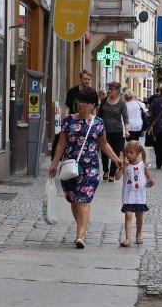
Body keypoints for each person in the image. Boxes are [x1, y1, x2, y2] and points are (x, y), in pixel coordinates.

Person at [49, 86, 124, 249]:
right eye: (80, 101)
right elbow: (61, 144)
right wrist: (54, 164)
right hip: (69, 167)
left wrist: (116, 159)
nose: (81, 105)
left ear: (93, 105)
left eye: (85, 102)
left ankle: (80, 236)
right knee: (74, 201)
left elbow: (103, 144)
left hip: (90, 168)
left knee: (83, 200)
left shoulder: (98, 123)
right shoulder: (68, 120)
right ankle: (82, 227)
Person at [114, 140, 154, 247]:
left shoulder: (142, 165)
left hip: (140, 195)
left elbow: (149, 178)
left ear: (138, 153)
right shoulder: (124, 165)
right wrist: (123, 167)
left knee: (139, 216)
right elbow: (117, 178)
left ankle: (139, 234)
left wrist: (150, 182)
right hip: (128, 194)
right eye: (127, 152)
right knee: (128, 215)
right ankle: (128, 239)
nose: (128, 155)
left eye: (131, 152)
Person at [98, 82, 129, 181]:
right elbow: (99, 115)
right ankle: (106, 170)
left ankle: (112, 173)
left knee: (115, 152)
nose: (109, 91)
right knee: (104, 152)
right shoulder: (104, 101)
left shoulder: (122, 102)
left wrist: (127, 130)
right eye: (109, 89)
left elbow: (125, 118)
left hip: (117, 131)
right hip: (104, 130)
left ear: (117, 91)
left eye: (112, 89)